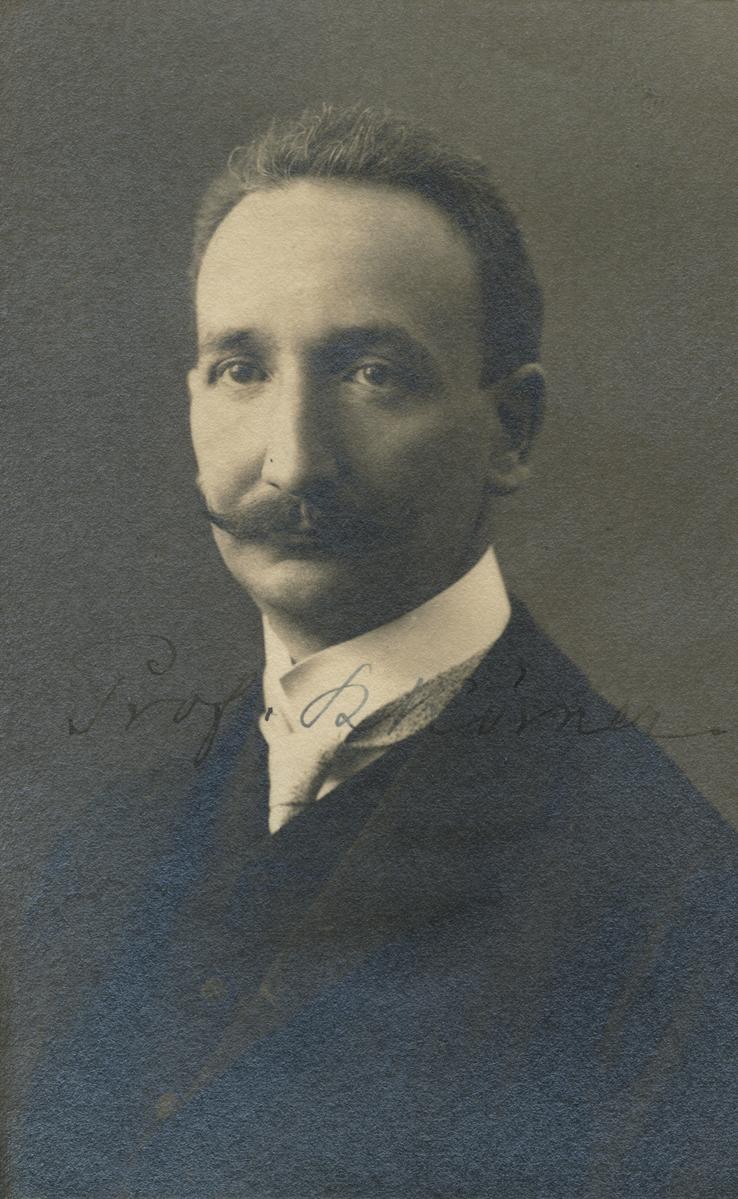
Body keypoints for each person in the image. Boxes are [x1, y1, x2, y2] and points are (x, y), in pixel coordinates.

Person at [11, 105, 738, 1198]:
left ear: (512, 428)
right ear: (193, 400)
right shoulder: (98, 858)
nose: (294, 461)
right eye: (241, 368)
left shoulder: (677, 909)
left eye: (372, 373)